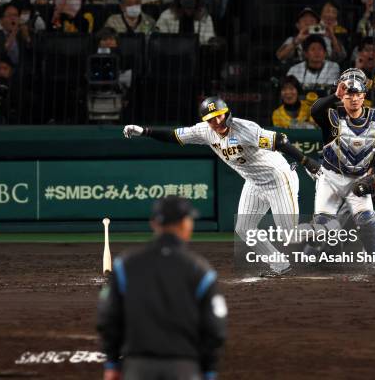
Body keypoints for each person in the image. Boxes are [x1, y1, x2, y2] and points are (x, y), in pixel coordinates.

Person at [123, 96, 321, 276]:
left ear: (226, 113)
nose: (216, 122)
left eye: (219, 116)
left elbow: (280, 141)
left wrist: (307, 162)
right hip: (254, 182)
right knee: (244, 228)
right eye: (210, 119)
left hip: (278, 178)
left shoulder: (245, 128)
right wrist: (145, 131)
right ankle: (280, 265)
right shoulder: (205, 132)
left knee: (289, 234)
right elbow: (175, 136)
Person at [97, 195, 226, 380]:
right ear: (185, 224)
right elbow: (215, 328)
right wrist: (209, 370)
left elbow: (108, 317)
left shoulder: (126, 265)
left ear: (154, 224)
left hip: (137, 367)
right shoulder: (200, 270)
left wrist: (112, 363)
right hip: (184, 367)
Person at [308, 70, 375, 261]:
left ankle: (373, 260)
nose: (354, 99)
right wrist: (334, 96)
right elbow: (315, 110)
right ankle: (318, 254)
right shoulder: (332, 117)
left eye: (358, 94)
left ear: (364, 96)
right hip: (330, 177)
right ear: (343, 96)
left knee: (367, 221)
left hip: (359, 177)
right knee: (323, 224)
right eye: (350, 94)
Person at [276, 7, 345, 64]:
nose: (308, 23)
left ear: (317, 24)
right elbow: (280, 56)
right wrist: (296, 42)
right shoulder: (292, 40)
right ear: (298, 25)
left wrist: (332, 37)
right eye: (304, 21)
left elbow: (341, 57)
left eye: (312, 21)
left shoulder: (327, 39)